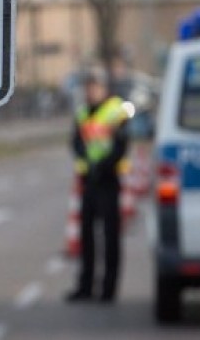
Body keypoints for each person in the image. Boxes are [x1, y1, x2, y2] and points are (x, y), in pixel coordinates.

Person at [66, 68, 129, 304]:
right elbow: (76, 141)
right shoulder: (82, 112)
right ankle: (85, 286)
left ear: (104, 88)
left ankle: (108, 289)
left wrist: (102, 165)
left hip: (109, 179)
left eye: (95, 86)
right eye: (88, 87)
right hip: (88, 181)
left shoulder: (115, 110)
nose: (91, 91)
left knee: (110, 236)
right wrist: (85, 159)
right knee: (87, 236)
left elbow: (121, 145)